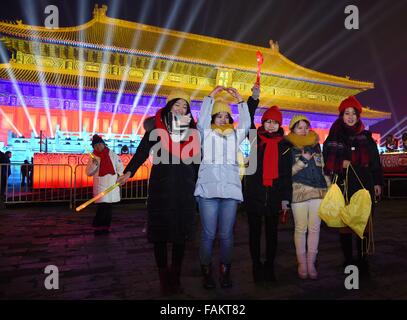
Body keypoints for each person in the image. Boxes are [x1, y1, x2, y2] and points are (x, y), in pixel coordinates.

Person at [117, 90, 200, 296]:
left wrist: (200, 185)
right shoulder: (156, 127)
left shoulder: (193, 132)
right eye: (177, 105)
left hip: (184, 188)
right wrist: (129, 172)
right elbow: (142, 151)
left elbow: (198, 162)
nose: (181, 109)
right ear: (169, 106)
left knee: (180, 235)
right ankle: (164, 279)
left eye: (185, 106)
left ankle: (176, 277)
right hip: (161, 187)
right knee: (160, 234)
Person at [194, 86, 250, 289]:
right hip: (208, 192)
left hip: (230, 192)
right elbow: (200, 119)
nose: (223, 119)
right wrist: (211, 96)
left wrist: (241, 101)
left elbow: (247, 123)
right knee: (208, 234)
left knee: (226, 234)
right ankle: (206, 271)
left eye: (227, 116)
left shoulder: (235, 136)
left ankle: (225, 271)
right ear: (212, 118)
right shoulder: (206, 134)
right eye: (219, 116)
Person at [323, 96, 383, 277]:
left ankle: (362, 258)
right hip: (344, 184)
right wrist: (341, 162)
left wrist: (378, 182)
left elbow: (375, 162)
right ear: (341, 115)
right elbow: (327, 158)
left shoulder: (366, 138)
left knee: (363, 223)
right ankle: (348, 259)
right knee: (346, 224)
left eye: (353, 114)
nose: (350, 117)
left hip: (365, 184)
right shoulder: (334, 136)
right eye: (346, 113)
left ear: (358, 116)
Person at [280, 115, 330, 280]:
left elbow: (322, 169)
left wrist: (329, 188)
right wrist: (302, 160)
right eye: (299, 127)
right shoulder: (288, 147)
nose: (303, 130)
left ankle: (311, 262)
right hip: (298, 191)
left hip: (318, 191)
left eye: (305, 127)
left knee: (315, 228)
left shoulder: (316, 146)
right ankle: (301, 263)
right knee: (301, 228)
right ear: (292, 129)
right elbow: (287, 174)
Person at [244, 84, 285, 284]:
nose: (270, 126)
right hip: (254, 193)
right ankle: (255, 265)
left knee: (272, 235)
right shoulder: (254, 138)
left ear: (279, 125)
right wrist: (254, 97)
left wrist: (285, 198)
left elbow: (286, 174)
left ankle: (269, 265)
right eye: (267, 122)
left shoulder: (285, 145)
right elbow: (247, 118)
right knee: (254, 233)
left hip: (274, 196)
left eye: (274, 123)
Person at [86, 134, 124, 236]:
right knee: (102, 208)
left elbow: (120, 167)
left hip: (111, 185)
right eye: (95, 146)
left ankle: (105, 227)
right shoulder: (93, 157)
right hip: (100, 186)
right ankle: (98, 227)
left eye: (99, 144)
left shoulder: (113, 154)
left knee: (108, 209)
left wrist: (120, 176)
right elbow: (88, 173)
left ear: (103, 144)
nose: (98, 147)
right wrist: (94, 164)